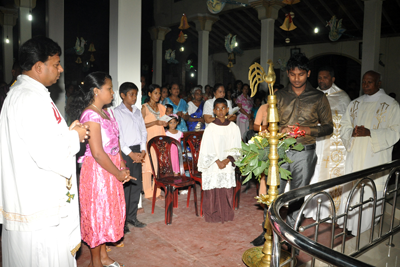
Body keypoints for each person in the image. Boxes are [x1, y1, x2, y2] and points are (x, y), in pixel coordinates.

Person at [0, 36, 89, 267]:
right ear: (39, 67)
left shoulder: (25, 93)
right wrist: (75, 137)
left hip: (31, 198)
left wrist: (67, 132)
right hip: (40, 208)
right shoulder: (29, 98)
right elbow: (47, 153)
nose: (60, 69)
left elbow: (39, 140)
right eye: (56, 63)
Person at [251, 53, 333, 247]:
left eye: (301, 74)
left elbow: (328, 127)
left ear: (308, 74)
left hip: (305, 151)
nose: (297, 78)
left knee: (297, 195)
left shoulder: (318, 97)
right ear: (288, 73)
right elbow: (269, 123)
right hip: (279, 150)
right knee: (273, 193)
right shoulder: (278, 96)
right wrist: (279, 130)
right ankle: (268, 232)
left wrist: (307, 130)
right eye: (293, 74)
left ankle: (289, 235)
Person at [75, 72, 135, 267]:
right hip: (98, 172)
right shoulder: (90, 115)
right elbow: (98, 152)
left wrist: (123, 167)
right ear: (96, 91)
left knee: (107, 212)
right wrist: (117, 172)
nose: (112, 92)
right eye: (109, 88)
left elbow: (115, 143)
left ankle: (102, 257)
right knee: (96, 215)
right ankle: (95, 263)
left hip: (111, 167)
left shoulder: (106, 112)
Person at [338, 70, 400, 235]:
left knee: (369, 191)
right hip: (355, 156)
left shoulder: (391, 105)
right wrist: (352, 132)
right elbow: (344, 126)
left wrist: (370, 133)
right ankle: (350, 226)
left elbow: (395, 132)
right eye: (364, 82)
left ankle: (366, 229)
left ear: (379, 83)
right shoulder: (355, 103)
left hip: (375, 157)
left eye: (370, 82)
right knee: (354, 189)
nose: (365, 85)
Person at [303, 66, 351, 220]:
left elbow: (346, 122)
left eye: (324, 77)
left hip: (332, 145)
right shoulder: (312, 95)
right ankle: (311, 210)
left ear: (333, 79)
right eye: (319, 78)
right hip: (315, 143)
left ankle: (329, 211)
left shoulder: (342, 97)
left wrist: (324, 121)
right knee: (313, 173)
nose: (321, 81)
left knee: (328, 176)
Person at [198, 98, 242, 223]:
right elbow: (206, 148)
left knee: (226, 188)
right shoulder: (210, 128)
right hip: (213, 163)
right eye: (217, 108)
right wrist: (217, 161)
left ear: (228, 110)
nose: (221, 111)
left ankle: (226, 214)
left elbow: (237, 146)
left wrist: (227, 160)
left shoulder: (234, 127)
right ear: (213, 111)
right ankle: (212, 214)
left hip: (227, 163)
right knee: (213, 189)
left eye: (223, 108)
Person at [114, 82, 147, 234]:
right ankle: (122, 221)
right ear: (122, 95)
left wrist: (142, 150)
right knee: (125, 187)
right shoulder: (117, 112)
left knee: (136, 185)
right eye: (131, 94)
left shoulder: (137, 111)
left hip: (138, 150)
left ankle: (132, 217)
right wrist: (130, 153)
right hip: (125, 152)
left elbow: (143, 131)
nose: (134, 97)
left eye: (135, 94)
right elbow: (118, 136)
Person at [142, 84, 167, 199]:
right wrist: (155, 123)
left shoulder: (162, 107)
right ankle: (147, 192)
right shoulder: (144, 107)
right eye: (155, 93)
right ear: (150, 94)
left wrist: (166, 123)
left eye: (159, 93)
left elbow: (164, 121)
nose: (158, 95)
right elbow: (141, 125)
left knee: (158, 165)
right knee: (147, 165)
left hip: (160, 137)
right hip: (149, 138)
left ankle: (157, 192)